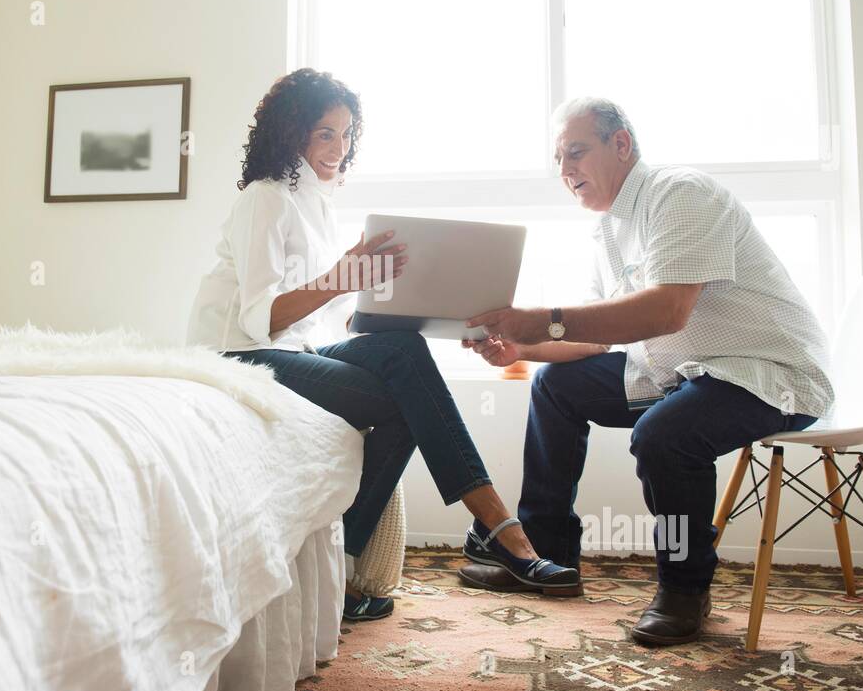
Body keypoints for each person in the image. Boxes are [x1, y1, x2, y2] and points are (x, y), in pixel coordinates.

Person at [187, 68, 577, 622]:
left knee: (403, 352)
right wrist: (344, 277)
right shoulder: (266, 198)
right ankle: (501, 529)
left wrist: (421, 313)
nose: (338, 148)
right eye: (325, 133)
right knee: (404, 397)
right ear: (291, 132)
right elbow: (259, 320)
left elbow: (329, 323)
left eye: (346, 135)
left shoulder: (318, 205)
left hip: (295, 350)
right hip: (237, 352)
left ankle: (347, 572)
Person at [462, 96, 832, 645]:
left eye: (576, 152)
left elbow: (667, 311)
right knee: (555, 386)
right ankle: (545, 554)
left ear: (621, 144)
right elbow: (594, 338)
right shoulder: (611, 229)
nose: (565, 171)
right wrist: (521, 349)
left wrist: (540, 320)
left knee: (664, 435)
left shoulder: (680, 194)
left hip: (768, 374)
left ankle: (685, 589)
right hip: (686, 372)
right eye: (558, 160)